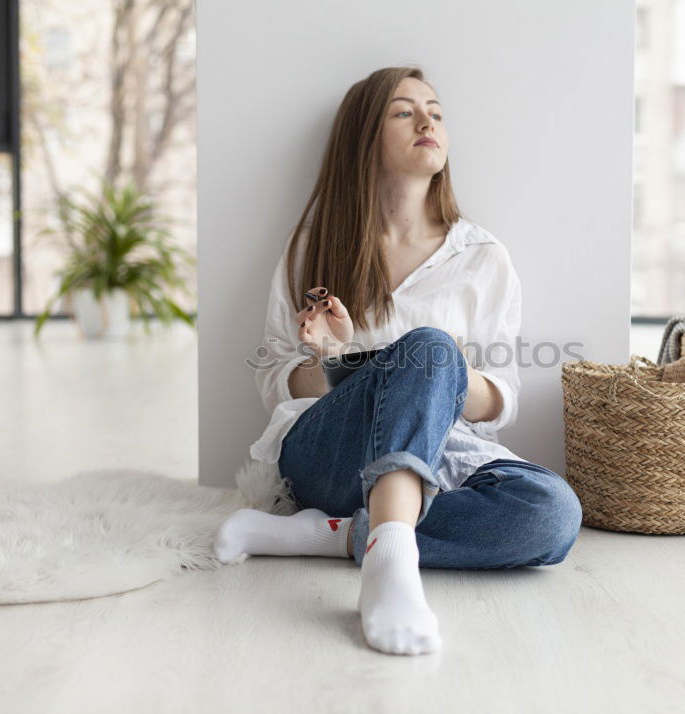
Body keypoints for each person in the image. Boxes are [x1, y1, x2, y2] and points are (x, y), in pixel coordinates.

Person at [213, 66, 582, 656]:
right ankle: (390, 563)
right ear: (366, 135)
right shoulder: (315, 242)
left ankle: (341, 537)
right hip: (327, 455)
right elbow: (274, 378)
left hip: (444, 452)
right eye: (404, 111)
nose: (428, 120)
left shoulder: (482, 257)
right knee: (431, 347)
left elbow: (502, 398)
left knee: (552, 516)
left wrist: (444, 373)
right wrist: (334, 360)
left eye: (435, 109)